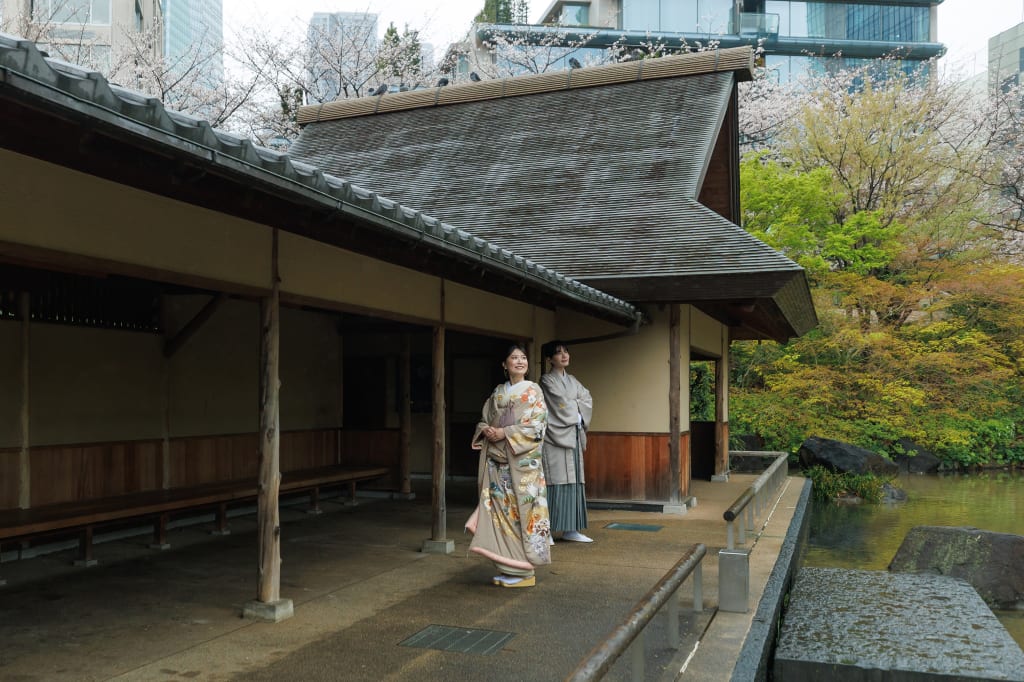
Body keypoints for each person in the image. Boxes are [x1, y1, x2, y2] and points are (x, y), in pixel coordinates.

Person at [465, 343, 551, 588]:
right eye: (514, 358)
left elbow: (537, 427)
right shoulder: (498, 392)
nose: (520, 361)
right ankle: (508, 566)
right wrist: (487, 430)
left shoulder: (533, 392)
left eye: (523, 357)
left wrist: (505, 432)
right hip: (497, 464)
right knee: (500, 515)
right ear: (505, 364)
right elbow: (484, 420)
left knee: (519, 514)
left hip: (520, 465)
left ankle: (524, 571)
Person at [540, 340, 594, 543]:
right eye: (558, 353)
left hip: (572, 435)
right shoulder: (546, 381)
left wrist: (576, 409)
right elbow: (558, 403)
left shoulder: (572, 380)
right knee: (555, 482)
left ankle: (571, 529)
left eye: (566, 351)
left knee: (574, 481)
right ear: (549, 359)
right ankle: (547, 531)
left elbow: (587, 398)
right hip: (555, 437)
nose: (564, 355)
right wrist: (576, 409)